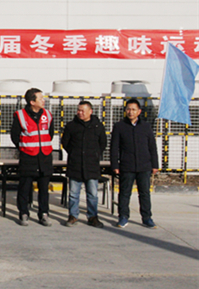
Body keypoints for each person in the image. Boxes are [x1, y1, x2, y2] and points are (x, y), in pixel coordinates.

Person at [110, 98, 159, 229]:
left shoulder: (146, 126)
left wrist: (155, 164)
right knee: (124, 193)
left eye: (133, 109)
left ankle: (147, 218)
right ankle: (123, 217)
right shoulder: (119, 126)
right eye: (128, 109)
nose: (130, 112)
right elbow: (114, 148)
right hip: (127, 166)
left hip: (144, 166)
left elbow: (152, 147)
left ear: (139, 111)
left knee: (144, 193)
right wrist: (115, 165)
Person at [11, 88, 54, 227]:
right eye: (40, 98)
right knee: (24, 187)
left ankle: (44, 213)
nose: (43, 100)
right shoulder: (20, 115)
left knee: (44, 188)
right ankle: (23, 213)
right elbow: (15, 136)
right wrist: (25, 147)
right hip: (28, 157)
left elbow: (50, 134)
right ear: (32, 102)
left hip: (45, 157)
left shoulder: (47, 114)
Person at [61, 101, 107, 228]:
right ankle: (73, 215)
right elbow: (65, 142)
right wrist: (74, 153)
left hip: (92, 166)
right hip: (75, 165)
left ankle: (92, 217)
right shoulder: (71, 126)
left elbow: (102, 143)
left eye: (83, 111)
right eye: (78, 110)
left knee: (92, 194)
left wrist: (95, 154)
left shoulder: (97, 126)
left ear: (90, 111)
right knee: (73, 194)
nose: (80, 113)